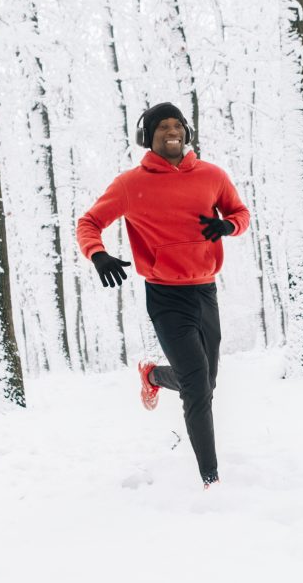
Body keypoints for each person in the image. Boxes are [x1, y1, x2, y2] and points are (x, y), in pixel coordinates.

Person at [76, 102, 251, 489]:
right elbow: (89, 222)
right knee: (197, 386)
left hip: (205, 291)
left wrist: (227, 227)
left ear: (186, 133)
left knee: (207, 382)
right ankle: (211, 479)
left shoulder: (212, 176)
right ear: (148, 138)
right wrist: (98, 253)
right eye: (162, 127)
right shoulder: (130, 184)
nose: (171, 132)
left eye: (177, 125)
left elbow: (241, 214)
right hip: (166, 296)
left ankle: (152, 375)